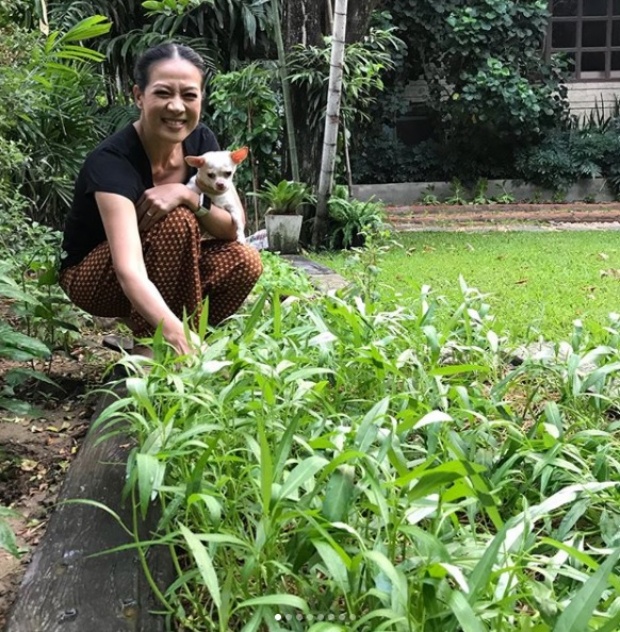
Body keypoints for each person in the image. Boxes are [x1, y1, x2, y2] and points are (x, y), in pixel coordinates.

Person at [58, 43, 263, 356]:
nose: (177, 107)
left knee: (244, 261)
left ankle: (183, 340)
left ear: (201, 99)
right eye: (164, 93)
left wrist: (187, 195)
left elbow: (231, 229)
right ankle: (155, 346)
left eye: (189, 95)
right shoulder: (112, 161)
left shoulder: (202, 142)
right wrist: (172, 332)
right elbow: (129, 269)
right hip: (96, 277)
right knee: (176, 221)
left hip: (167, 267)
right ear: (139, 96)